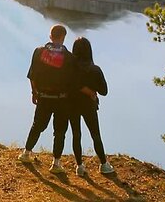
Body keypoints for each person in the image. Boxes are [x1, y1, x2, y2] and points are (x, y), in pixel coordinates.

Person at [18, 24, 73, 174]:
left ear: (50, 36)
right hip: (62, 99)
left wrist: (34, 92)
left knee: (37, 125)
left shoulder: (39, 52)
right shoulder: (68, 57)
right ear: (63, 37)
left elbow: (32, 75)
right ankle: (56, 163)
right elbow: (72, 80)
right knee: (60, 131)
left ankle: (26, 153)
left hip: (43, 96)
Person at [69, 36, 114, 176]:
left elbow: (68, 84)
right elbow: (104, 91)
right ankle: (104, 165)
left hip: (72, 104)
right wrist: (91, 90)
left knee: (76, 135)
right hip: (89, 105)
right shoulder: (95, 69)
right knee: (95, 134)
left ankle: (80, 167)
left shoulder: (70, 69)